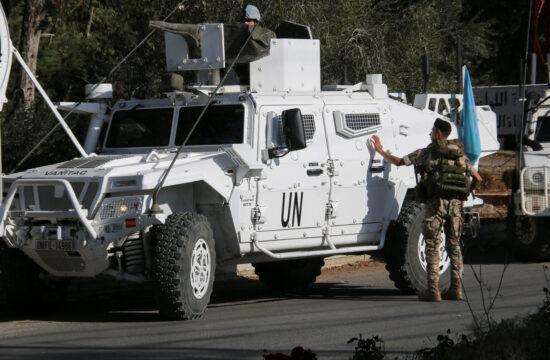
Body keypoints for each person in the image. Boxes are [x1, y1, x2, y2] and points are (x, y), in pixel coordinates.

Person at [370, 119, 482, 302]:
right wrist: (464, 196)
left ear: (438, 133)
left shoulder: (427, 152)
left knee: (432, 246)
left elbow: (399, 162)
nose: (430, 133)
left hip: (434, 206)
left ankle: (433, 290)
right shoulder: (461, 155)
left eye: (432, 131)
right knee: (454, 246)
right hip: (455, 207)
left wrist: (381, 151)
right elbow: (478, 178)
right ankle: (456, 289)